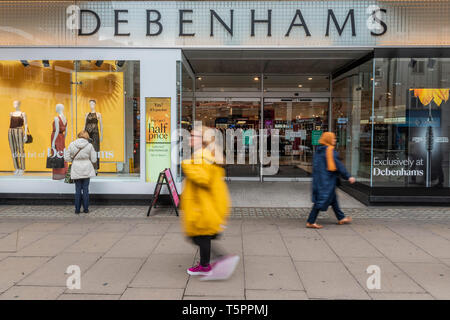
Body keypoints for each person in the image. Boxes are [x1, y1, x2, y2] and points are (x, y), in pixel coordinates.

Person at [180, 127, 238, 278]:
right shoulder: (202, 154)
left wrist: (187, 165)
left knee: (200, 237)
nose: (190, 138)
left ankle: (207, 265)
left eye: (194, 136)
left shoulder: (203, 155)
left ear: (203, 140)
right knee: (200, 237)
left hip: (203, 207)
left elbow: (203, 179)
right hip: (203, 205)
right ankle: (217, 259)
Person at [306, 132, 356, 229]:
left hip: (319, 179)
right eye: (333, 138)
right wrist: (348, 176)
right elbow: (339, 166)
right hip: (326, 181)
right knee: (321, 201)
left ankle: (341, 218)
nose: (335, 140)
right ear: (328, 140)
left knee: (333, 199)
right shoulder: (330, 152)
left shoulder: (318, 151)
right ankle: (310, 221)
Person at [65, 130, 97, 214]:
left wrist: (73, 159)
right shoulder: (89, 145)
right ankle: (86, 209)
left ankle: (77, 209)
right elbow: (94, 159)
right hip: (86, 168)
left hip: (76, 168)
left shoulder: (72, 144)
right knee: (86, 189)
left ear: (78, 136)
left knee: (78, 189)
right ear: (86, 136)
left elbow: (66, 158)